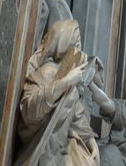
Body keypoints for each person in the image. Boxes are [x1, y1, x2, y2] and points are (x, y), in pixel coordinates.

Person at [16, 19, 100, 166]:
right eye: (76, 43)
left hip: (59, 148)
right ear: (65, 44)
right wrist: (65, 82)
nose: (79, 48)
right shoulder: (48, 72)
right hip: (43, 147)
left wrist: (90, 140)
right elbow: (30, 111)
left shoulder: (67, 74)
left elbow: (76, 115)